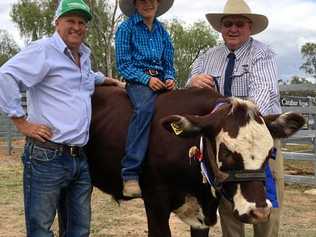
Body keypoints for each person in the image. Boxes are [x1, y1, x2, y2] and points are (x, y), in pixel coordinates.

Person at [0, 0, 123, 236]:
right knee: (41, 230)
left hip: (79, 158)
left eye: (81, 22)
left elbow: (86, 77)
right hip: (47, 156)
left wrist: (110, 81)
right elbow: (5, 76)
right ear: (57, 23)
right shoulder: (44, 50)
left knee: (79, 230)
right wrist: (21, 123)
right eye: (70, 21)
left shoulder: (82, 56)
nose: (77, 27)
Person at [187, 0, 283, 236]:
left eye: (239, 24)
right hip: (226, 142)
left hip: (260, 137)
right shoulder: (207, 57)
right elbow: (189, 89)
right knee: (229, 198)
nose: (233, 29)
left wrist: (227, 120)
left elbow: (260, 97)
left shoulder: (263, 54)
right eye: (228, 23)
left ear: (250, 27)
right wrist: (193, 82)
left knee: (265, 196)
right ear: (221, 28)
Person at [115, 0, 176, 198]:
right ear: (135, 4)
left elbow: (169, 63)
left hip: (160, 80)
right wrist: (147, 80)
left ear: (158, 3)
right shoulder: (126, 28)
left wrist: (169, 78)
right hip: (138, 80)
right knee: (144, 109)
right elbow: (123, 65)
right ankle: (130, 172)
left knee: (179, 110)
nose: (147, 3)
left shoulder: (162, 31)